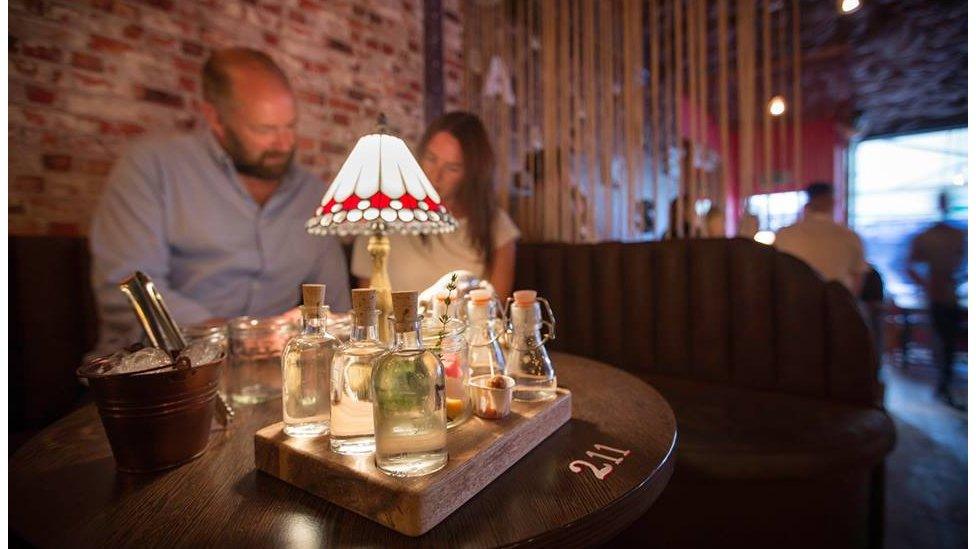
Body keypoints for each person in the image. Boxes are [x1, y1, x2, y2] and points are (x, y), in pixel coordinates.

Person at [90, 48, 350, 355]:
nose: (284, 143)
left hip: (269, 378)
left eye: (290, 126)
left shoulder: (311, 194)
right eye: (264, 129)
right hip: (161, 375)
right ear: (215, 118)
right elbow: (129, 292)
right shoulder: (153, 167)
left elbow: (337, 306)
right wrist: (243, 340)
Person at [350, 111, 519, 298]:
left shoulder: (496, 227)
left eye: (452, 168)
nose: (435, 176)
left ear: (471, 175)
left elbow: (495, 312)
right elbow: (365, 307)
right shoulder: (382, 217)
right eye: (431, 159)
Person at [907, 191, 966, 408]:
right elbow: (910, 265)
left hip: (946, 291)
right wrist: (927, 284)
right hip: (940, 292)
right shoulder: (934, 235)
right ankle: (944, 382)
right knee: (944, 340)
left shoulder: (953, 234)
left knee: (946, 340)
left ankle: (945, 382)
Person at [774, 182, 868, 294]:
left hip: (794, 303)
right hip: (835, 304)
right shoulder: (850, 236)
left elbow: (775, 274)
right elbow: (857, 279)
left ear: (808, 204)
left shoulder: (784, 234)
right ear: (832, 202)